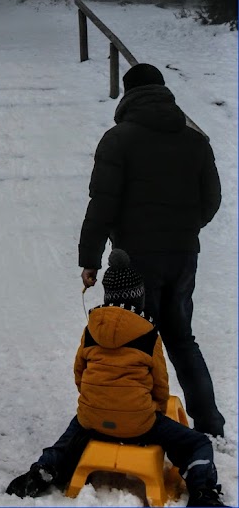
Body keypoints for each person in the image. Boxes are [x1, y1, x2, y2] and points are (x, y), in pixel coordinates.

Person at [6, 250, 224, 507]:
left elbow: (79, 374)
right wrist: (152, 409)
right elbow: (160, 386)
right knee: (196, 443)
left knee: (68, 440)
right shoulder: (148, 334)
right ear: (139, 297)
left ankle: (45, 469)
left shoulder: (91, 330)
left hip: (94, 418)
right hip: (138, 422)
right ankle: (202, 492)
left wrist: (96, 400)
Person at [78, 62, 224, 437]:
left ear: (128, 95)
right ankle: (209, 423)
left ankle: (132, 419)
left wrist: (90, 259)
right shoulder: (196, 140)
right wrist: (184, 230)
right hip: (182, 255)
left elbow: (102, 203)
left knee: (130, 339)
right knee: (181, 338)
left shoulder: (118, 139)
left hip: (135, 258)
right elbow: (212, 199)